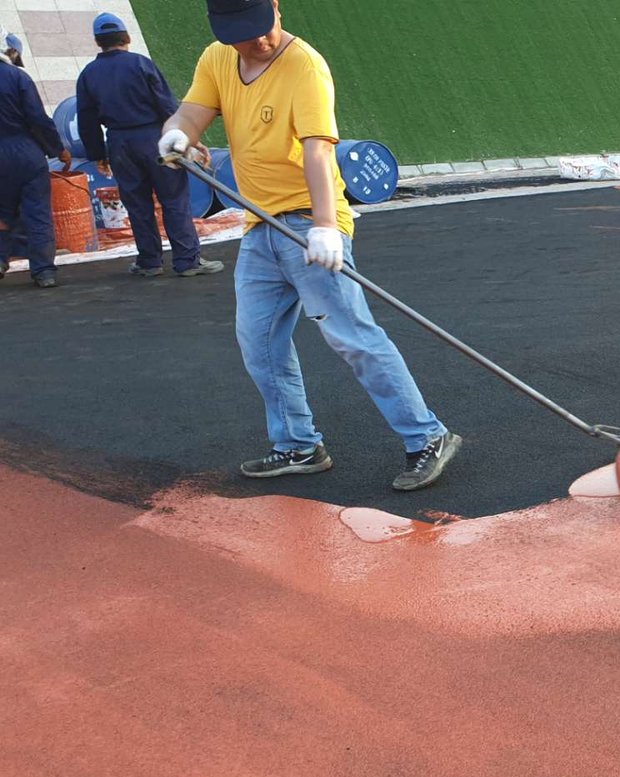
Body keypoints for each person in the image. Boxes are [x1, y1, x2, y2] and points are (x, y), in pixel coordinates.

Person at [159, 0, 460, 491]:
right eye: (242, 34)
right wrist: (176, 133)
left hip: (307, 221)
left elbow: (319, 151)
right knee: (259, 343)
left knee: (352, 337)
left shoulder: (304, 65)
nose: (258, 40)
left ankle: (427, 436)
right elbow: (193, 111)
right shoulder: (217, 58)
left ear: (276, 7)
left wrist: (324, 227)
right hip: (259, 227)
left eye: (262, 26)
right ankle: (298, 444)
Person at [76, 13, 223, 278]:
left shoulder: (88, 74)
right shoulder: (140, 64)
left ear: (98, 42)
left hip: (119, 144)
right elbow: (166, 104)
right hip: (155, 138)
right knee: (174, 199)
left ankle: (149, 262)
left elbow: (87, 119)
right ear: (127, 38)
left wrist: (98, 155)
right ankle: (187, 261)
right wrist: (189, 137)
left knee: (137, 203)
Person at [0, 50, 69, 288]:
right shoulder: (17, 77)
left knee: (2, 214)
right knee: (37, 212)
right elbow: (37, 118)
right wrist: (58, 149)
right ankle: (43, 271)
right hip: (25, 152)